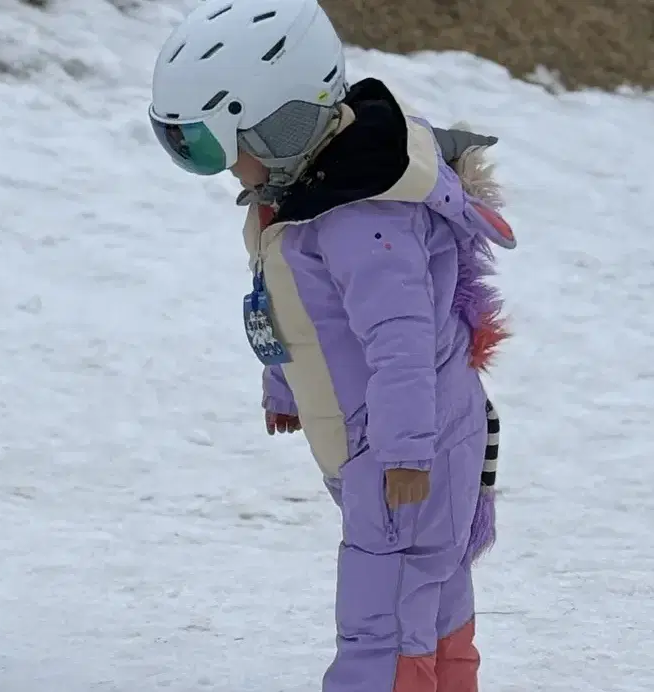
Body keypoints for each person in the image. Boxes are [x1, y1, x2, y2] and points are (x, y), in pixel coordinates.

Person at [148, 0, 515, 690]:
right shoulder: (309, 197)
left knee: (381, 624)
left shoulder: (360, 222)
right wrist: (284, 388)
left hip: (405, 449)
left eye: (208, 145)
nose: (219, 168)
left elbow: (401, 341)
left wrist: (405, 454)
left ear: (277, 121)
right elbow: (306, 321)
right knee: (432, 596)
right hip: (410, 437)